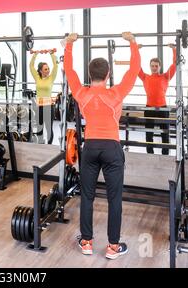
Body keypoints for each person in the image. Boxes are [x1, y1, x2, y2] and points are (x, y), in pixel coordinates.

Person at [64, 32, 141, 260]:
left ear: (90, 74)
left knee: (87, 196)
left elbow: (69, 71)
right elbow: (133, 70)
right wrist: (133, 43)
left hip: (90, 149)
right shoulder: (115, 93)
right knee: (114, 198)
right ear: (107, 75)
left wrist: (69, 45)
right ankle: (113, 247)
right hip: (112, 149)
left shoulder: (81, 94)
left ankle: (86, 242)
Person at [138, 44, 176, 155]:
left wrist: (174, 49)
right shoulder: (145, 77)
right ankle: (150, 154)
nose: (154, 68)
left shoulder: (166, 77)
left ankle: (165, 154)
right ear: (150, 66)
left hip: (163, 109)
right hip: (149, 108)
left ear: (160, 66)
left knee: (165, 133)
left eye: (156, 66)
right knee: (148, 134)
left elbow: (175, 64)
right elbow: (136, 66)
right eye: (152, 66)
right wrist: (136, 49)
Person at [29, 50, 58, 144]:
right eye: (45, 69)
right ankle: (41, 145)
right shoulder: (37, 77)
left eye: (48, 68)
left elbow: (56, 65)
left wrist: (51, 53)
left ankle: (49, 146)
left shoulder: (51, 77)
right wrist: (35, 54)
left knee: (49, 128)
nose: (48, 70)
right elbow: (31, 66)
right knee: (39, 127)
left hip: (49, 106)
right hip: (39, 106)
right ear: (41, 71)